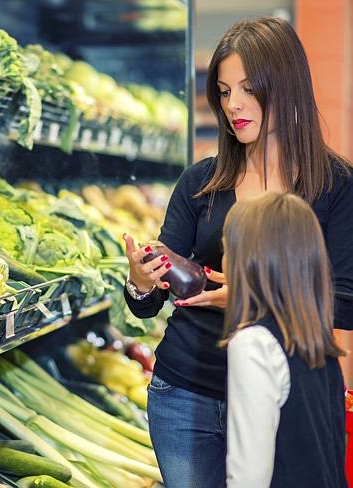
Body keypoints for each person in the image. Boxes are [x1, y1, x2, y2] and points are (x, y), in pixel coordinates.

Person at [123, 16, 353, 487]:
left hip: (288, 392)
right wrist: (141, 282)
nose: (234, 105)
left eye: (248, 89)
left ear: (286, 86)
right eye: (224, 92)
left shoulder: (334, 186)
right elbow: (151, 302)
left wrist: (259, 299)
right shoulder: (199, 183)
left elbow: (347, 301)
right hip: (186, 392)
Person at [220, 192, 346, 487]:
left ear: (248, 260)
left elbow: (248, 476)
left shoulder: (253, 345)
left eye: (226, 250)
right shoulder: (314, 338)